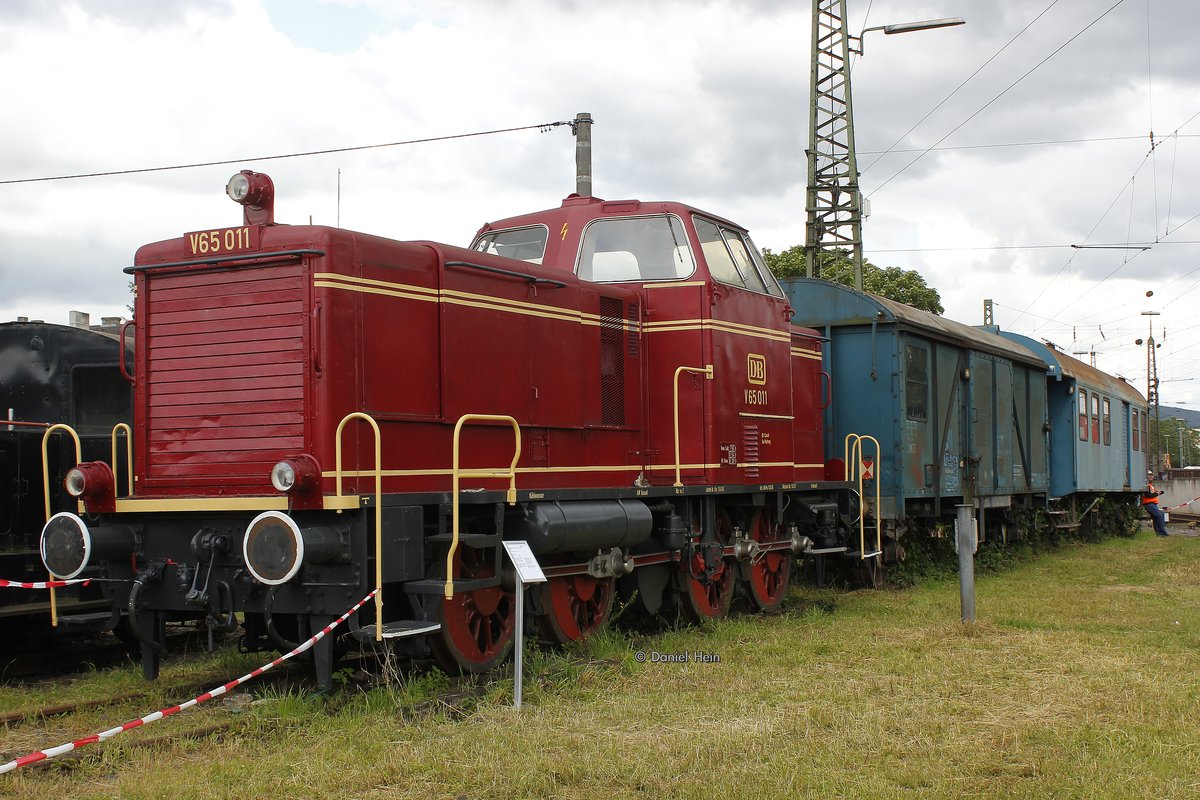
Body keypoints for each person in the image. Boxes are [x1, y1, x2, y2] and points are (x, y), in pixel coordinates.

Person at [1142, 471, 1169, 537]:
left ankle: (1159, 534)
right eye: (1149, 475)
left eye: (1152, 475)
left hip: (1153, 504)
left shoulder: (1150, 485)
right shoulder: (1146, 485)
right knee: (1159, 516)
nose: (1151, 476)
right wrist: (1157, 493)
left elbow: (1151, 494)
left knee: (1157, 517)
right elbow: (1148, 495)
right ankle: (1163, 533)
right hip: (1149, 504)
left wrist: (1157, 492)